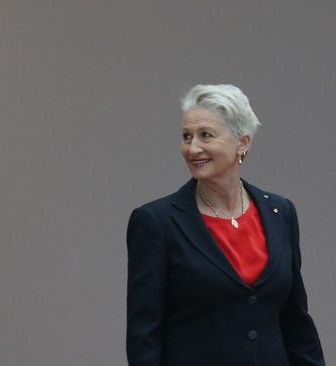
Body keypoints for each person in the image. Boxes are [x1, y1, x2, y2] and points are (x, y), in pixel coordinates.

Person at [126, 84, 325, 365]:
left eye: (205, 135)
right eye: (186, 136)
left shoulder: (280, 213)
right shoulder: (157, 222)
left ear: (242, 143)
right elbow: (143, 335)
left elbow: (296, 321)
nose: (192, 148)